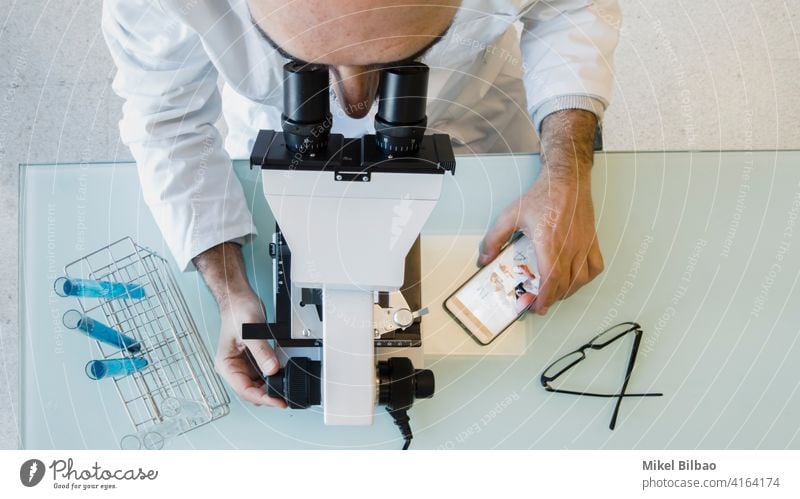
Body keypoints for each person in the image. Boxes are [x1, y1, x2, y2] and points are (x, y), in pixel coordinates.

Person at [102, 0, 618, 407]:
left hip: (470, 127)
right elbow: (166, 119)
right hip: (274, 140)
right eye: (309, 60)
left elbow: (573, 8)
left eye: (397, 62)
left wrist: (565, 173)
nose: (357, 100)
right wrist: (231, 289)